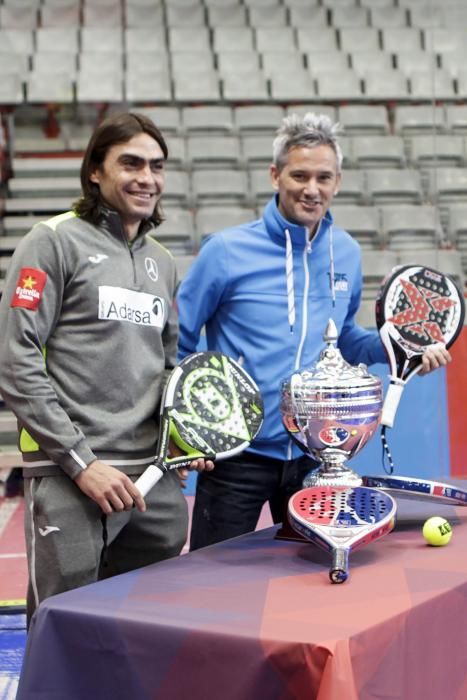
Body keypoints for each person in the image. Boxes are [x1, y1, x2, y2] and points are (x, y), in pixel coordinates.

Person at [176, 112, 451, 551]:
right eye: (299, 175)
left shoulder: (346, 252)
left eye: (323, 177)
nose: (311, 188)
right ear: (275, 175)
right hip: (236, 456)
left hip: (318, 454)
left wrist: (402, 349)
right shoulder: (226, 251)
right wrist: (191, 431)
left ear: (338, 182)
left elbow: (343, 341)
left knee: (311, 586)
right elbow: (180, 340)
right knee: (214, 581)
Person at [0, 112, 212, 623]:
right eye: (131, 163)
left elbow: (168, 367)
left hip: (153, 480)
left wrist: (185, 436)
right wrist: (81, 463)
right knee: (64, 628)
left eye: (157, 166)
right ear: (95, 170)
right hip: (74, 474)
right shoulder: (51, 242)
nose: (147, 178)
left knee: (147, 625)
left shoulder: (162, 260)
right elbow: (14, 358)